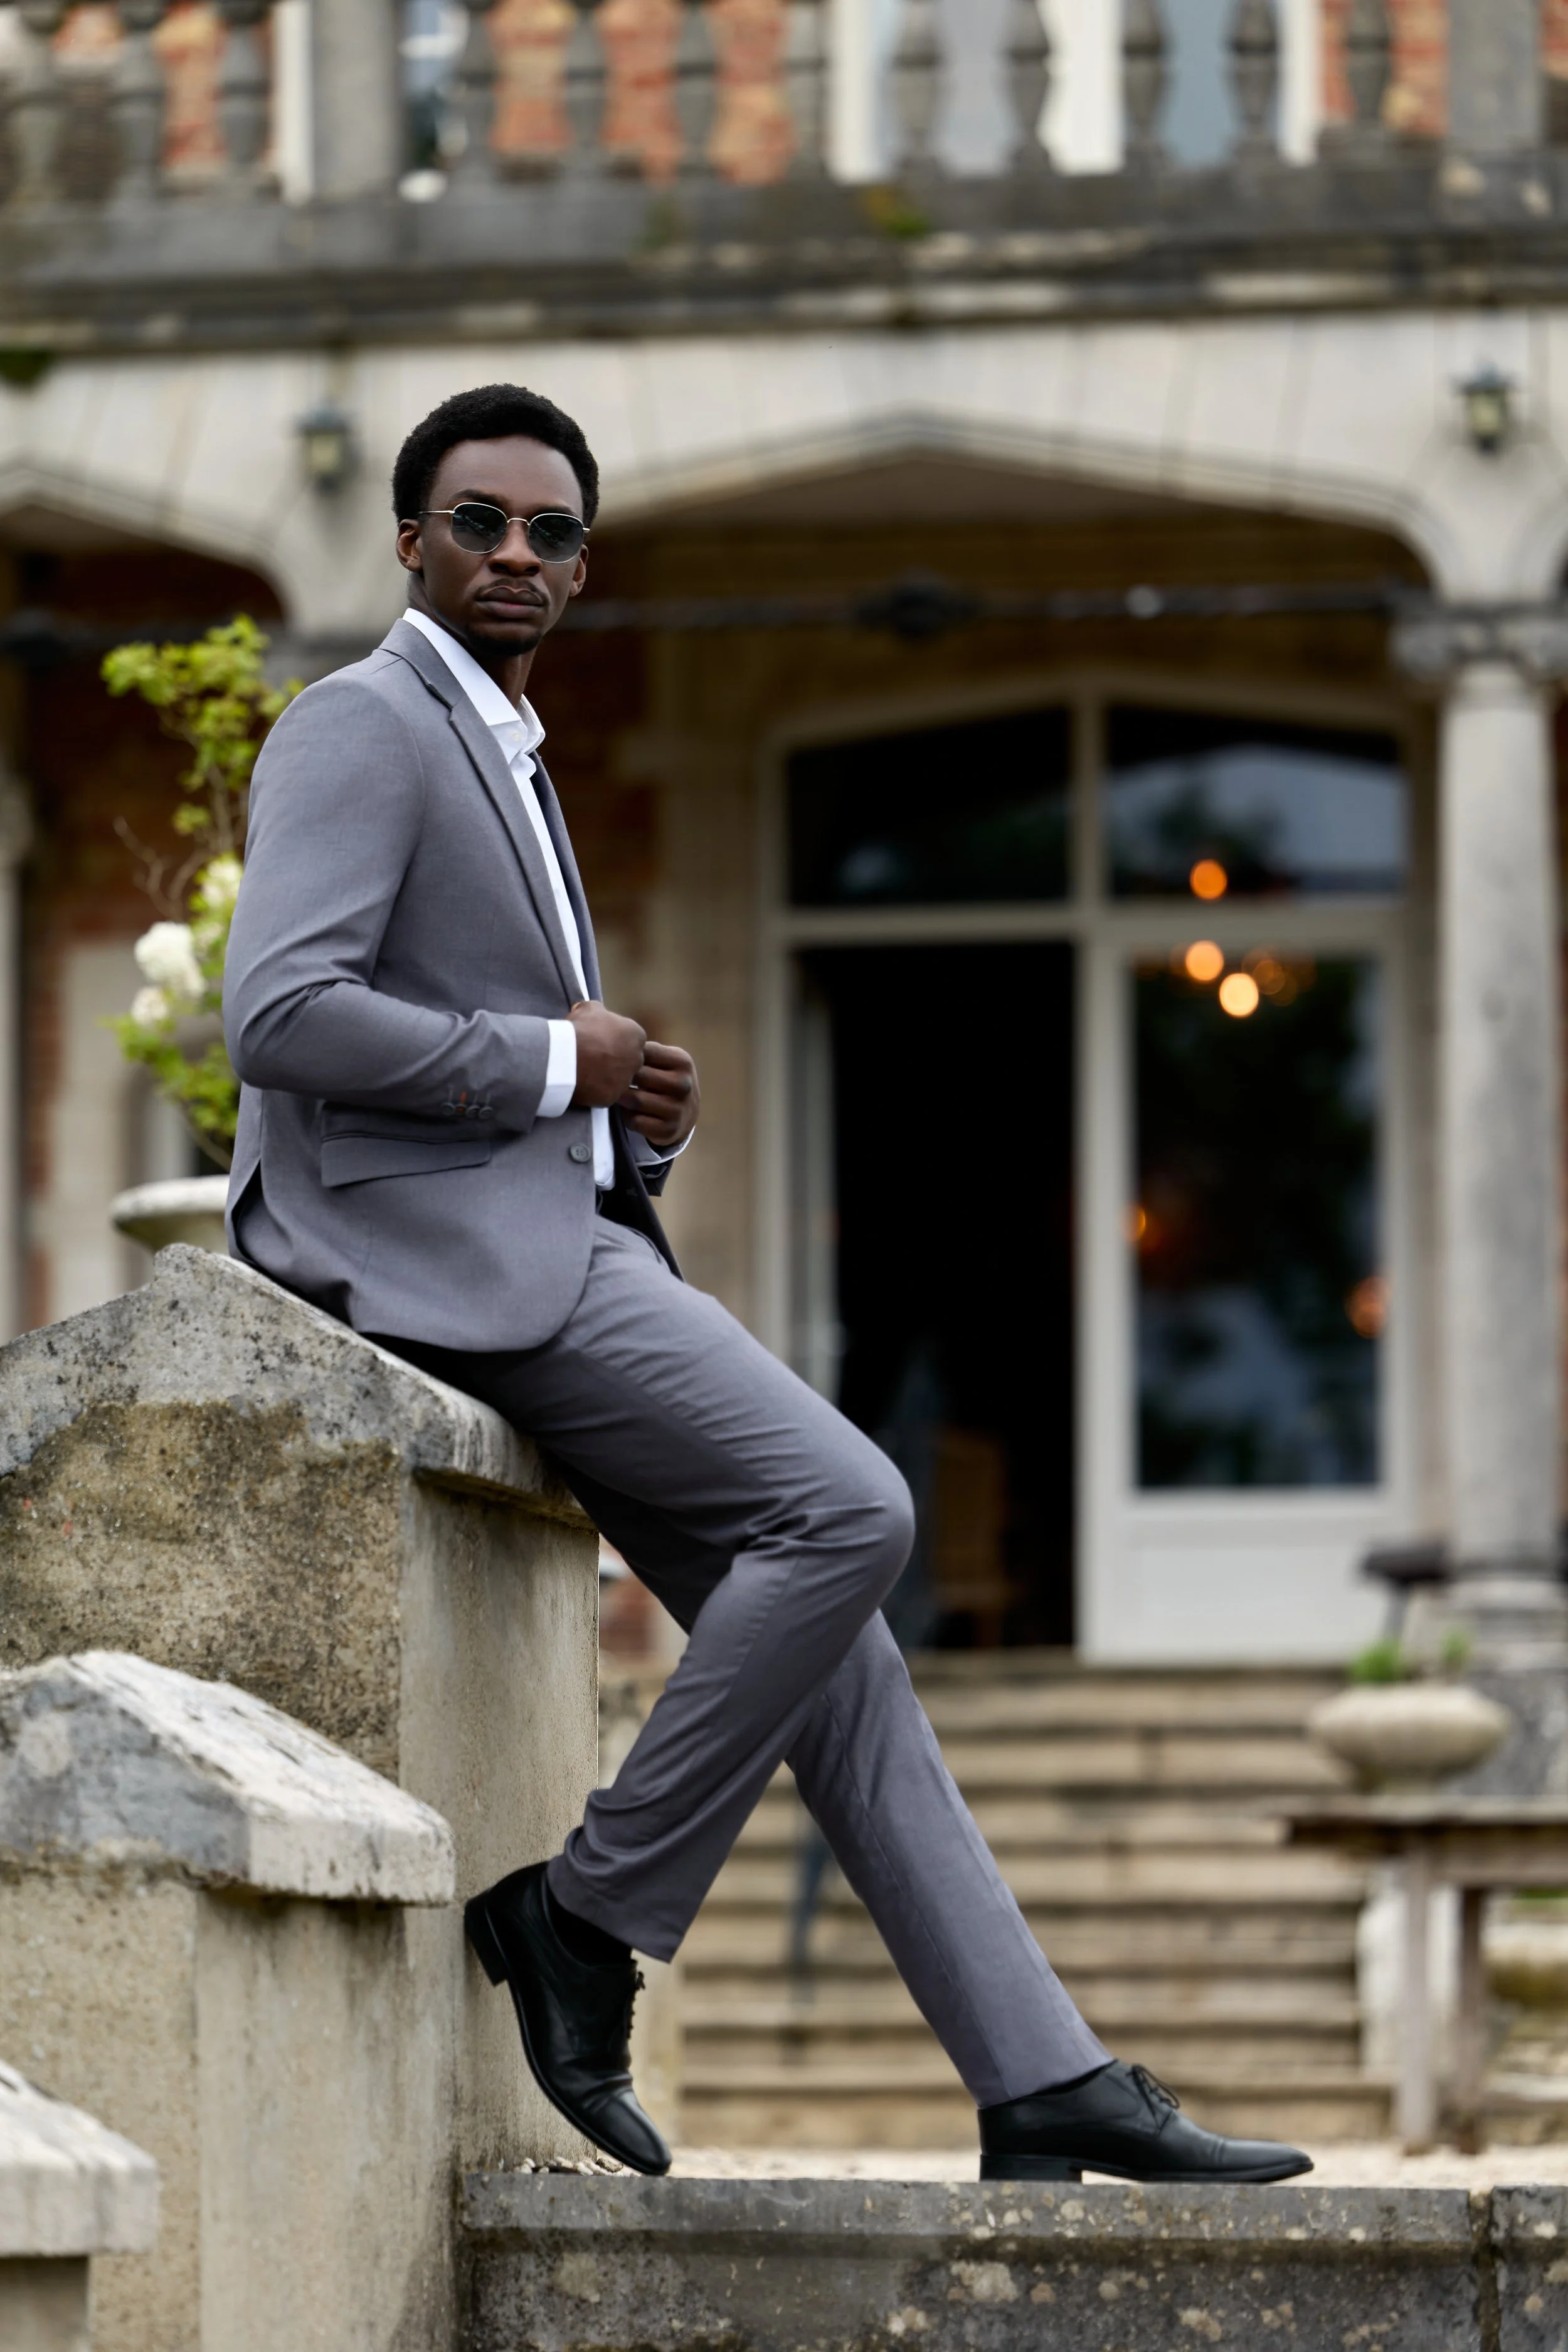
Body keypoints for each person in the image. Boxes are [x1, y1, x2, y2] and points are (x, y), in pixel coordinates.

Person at [222, 383, 1312, 2190]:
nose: (513, 554)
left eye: (550, 530)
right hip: (463, 1265)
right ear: (406, 536)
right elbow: (280, 1012)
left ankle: (1036, 2075)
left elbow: (504, 1047)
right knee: (850, 1505)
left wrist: (625, 1110)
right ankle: (583, 1916)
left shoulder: (504, 742)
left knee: (849, 1665)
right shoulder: (363, 722)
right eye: (478, 520)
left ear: (584, 562)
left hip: (555, 1229)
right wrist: (549, 1063)